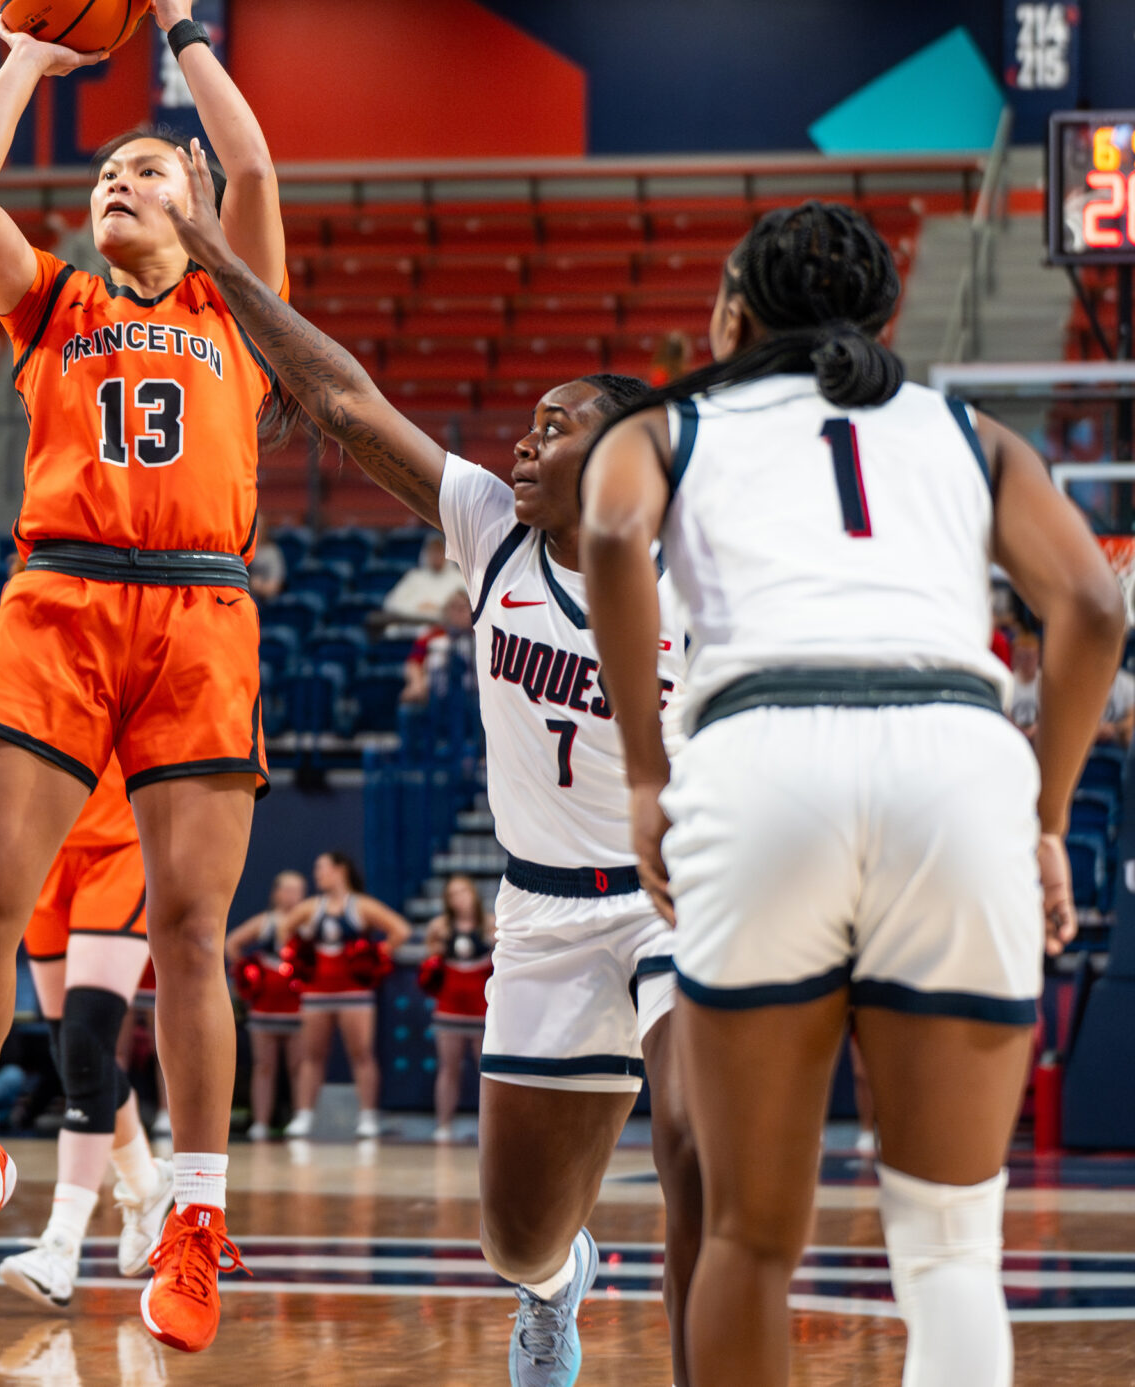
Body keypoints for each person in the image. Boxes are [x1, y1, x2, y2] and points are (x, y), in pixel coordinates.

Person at [580, 199, 1126, 1387]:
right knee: (951, 1247)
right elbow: (1093, 605)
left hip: (761, 756)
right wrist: (1042, 819)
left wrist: (644, 774)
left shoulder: (669, 426)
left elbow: (611, 536)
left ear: (732, 316)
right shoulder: (969, 432)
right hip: (956, 760)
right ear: (882, 323)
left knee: (746, 1238)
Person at [178, 188, 706, 1381]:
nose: (521, 444)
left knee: (694, 1150)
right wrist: (214, 255)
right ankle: (559, 1285)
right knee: (514, 1239)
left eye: (553, 427)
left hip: (678, 897)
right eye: (524, 425)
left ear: (622, 458)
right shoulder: (488, 525)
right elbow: (342, 402)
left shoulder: (697, 570)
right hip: (541, 912)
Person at [0, 0, 284, 1355]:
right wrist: (24, 55)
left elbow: (255, 167)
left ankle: (190, 1217)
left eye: (149, 169)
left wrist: (182, 31)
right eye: (106, 174)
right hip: (61, 596)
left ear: (194, 207)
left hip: (200, 606)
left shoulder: (238, 306)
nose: (119, 182)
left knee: (192, 932)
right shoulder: (55, 303)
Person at [0, 610, 174, 1305]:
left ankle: (62, 1244)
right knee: (73, 1050)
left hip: (120, 847)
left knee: (88, 1044)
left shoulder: (144, 606)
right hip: (45, 854)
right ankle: (144, 1183)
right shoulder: (23, 610)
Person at [285, 852, 412, 1141]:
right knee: (311, 1056)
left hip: (355, 993)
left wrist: (373, 956)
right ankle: (304, 1116)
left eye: (322, 867)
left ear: (340, 870)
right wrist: (300, 955)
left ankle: (367, 1116)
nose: (317, 873)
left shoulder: (361, 905)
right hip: (316, 993)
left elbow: (400, 930)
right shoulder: (311, 907)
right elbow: (284, 930)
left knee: (362, 1054)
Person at [225, 871, 307, 1141]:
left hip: (297, 1006)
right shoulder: (266, 921)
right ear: (276, 893)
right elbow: (232, 943)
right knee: (264, 1066)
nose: (293, 896)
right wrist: (250, 974)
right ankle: (260, 1122)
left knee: (298, 1066)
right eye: (288, 890)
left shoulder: (307, 921)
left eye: (298, 890)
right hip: (265, 1006)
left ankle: (301, 1119)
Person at [419, 874, 493, 1146]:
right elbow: (429, 961)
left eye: (463, 892)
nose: (459, 898)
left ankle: (490, 1127)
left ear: (473, 894)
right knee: (448, 1068)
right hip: (449, 1007)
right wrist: (436, 946)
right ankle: (444, 1125)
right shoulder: (440, 927)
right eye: (452, 894)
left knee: (487, 1071)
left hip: (481, 1008)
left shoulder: (491, 924)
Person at [375, 532, 465, 640]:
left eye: (440, 551)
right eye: (433, 551)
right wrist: (418, 607)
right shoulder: (414, 577)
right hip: (411, 632)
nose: (436, 555)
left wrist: (438, 609)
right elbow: (391, 603)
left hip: (446, 636)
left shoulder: (459, 579)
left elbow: (465, 612)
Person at [400, 590, 475, 711]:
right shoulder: (433, 635)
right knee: (408, 707)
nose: (457, 613)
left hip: (473, 695)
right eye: (453, 608)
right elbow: (413, 662)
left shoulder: (481, 636)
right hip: (435, 695)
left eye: (462, 608)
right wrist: (417, 683)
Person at [249, 515, 287, 603]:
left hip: (264, 602)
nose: (255, 531)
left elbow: (274, 586)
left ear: (264, 529)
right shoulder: (239, 552)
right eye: (251, 528)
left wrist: (258, 587)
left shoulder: (272, 552)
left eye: (258, 527)